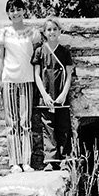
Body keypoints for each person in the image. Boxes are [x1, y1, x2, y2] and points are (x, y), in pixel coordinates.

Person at [0, 0, 39, 173]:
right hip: (9, 80)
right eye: (12, 10)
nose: (15, 13)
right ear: (8, 13)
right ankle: (14, 162)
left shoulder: (32, 33)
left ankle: (26, 161)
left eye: (18, 9)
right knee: (12, 122)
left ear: (23, 11)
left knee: (25, 121)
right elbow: (0, 57)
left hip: (27, 79)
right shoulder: (4, 33)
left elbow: (37, 56)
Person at [32, 18, 73, 171]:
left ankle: (65, 159)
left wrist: (63, 94)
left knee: (63, 127)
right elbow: (36, 75)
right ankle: (50, 160)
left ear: (60, 31)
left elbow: (69, 75)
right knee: (47, 128)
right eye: (48, 29)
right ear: (44, 32)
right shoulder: (39, 51)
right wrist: (44, 94)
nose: (52, 32)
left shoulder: (64, 52)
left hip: (61, 97)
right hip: (46, 97)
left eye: (55, 29)